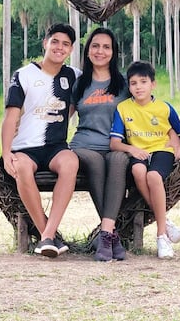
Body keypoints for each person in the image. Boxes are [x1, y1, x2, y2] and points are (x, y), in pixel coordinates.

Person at [1, 23, 81, 258]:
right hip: (25, 147)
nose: (59, 47)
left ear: (71, 49)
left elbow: (77, 104)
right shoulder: (23, 75)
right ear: (45, 43)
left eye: (65, 44)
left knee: (70, 163)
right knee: (22, 168)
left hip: (56, 147)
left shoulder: (74, 76)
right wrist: (6, 153)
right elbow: (10, 117)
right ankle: (48, 235)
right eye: (55, 41)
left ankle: (47, 236)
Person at [109, 60, 180, 259]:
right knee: (137, 171)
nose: (138, 87)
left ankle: (161, 235)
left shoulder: (164, 108)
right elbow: (114, 143)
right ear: (129, 86)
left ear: (153, 84)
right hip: (139, 152)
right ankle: (166, 222)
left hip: (161, 151)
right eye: (133, 83)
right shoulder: (123, 109)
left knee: (153, 176)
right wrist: (131, 149)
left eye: (143, 82)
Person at [70, 27, 131, 262]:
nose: (100, 51)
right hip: (84, 145)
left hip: (116, 145)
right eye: (95, 46)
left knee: (117, 160)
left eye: (106, 47)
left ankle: (105, 234)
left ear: (114, 52)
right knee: (95, 161)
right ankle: (111, 236)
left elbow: (145, 110)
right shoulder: (79, 83)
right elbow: (63, 116)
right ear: (87, 51)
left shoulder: (124, 84)